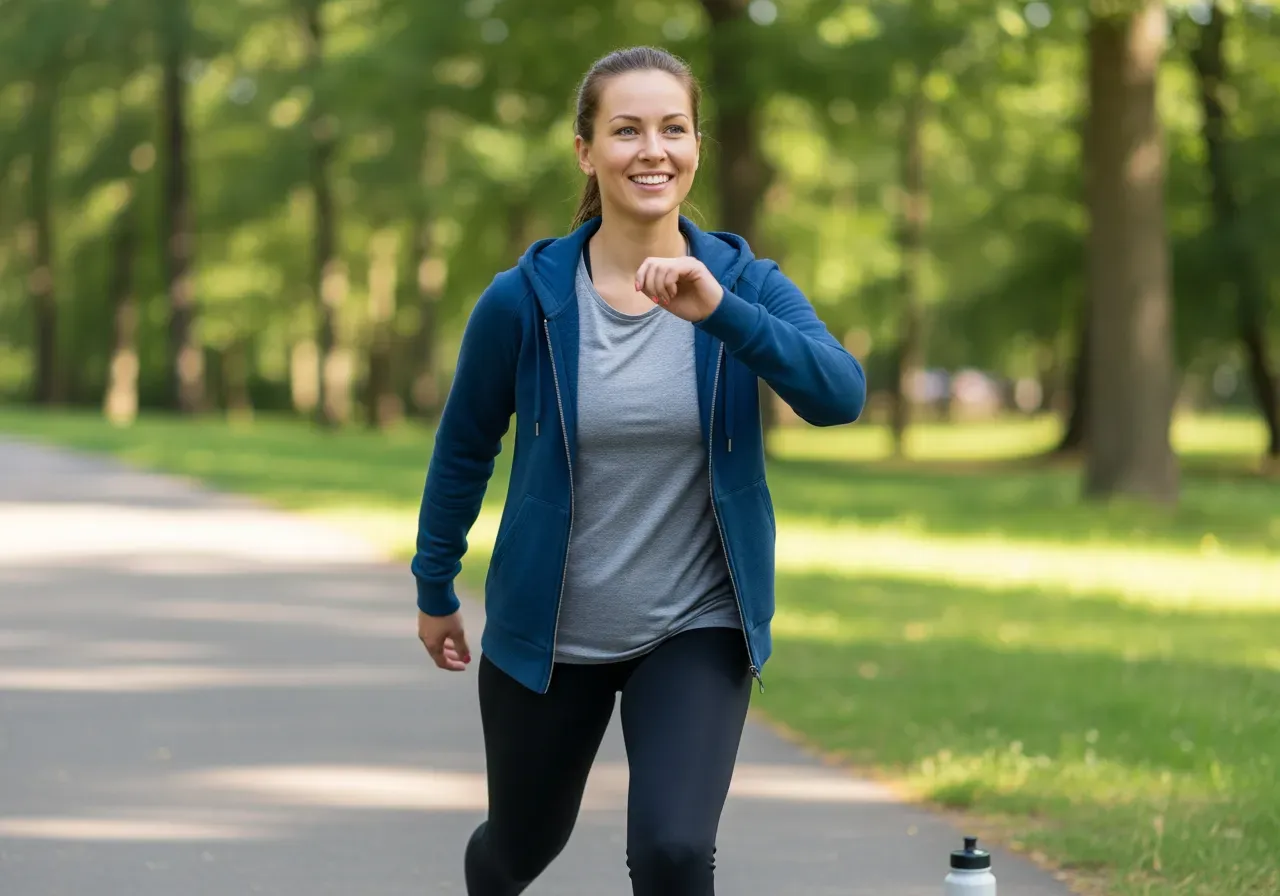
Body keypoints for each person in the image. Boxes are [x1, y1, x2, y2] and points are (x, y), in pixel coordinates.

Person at [411, 45, 867, 896]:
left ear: (696, 146)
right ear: (586, 151)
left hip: (697, 621)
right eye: (626, 130)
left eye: (673, 129)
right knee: (519, 846)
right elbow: (465, 447)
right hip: (552, 632)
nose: (652, 150)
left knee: (675, 850)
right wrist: (434, 585)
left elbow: (839, 396)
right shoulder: (524, 299)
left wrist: (721, 312)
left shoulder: (744, 283)